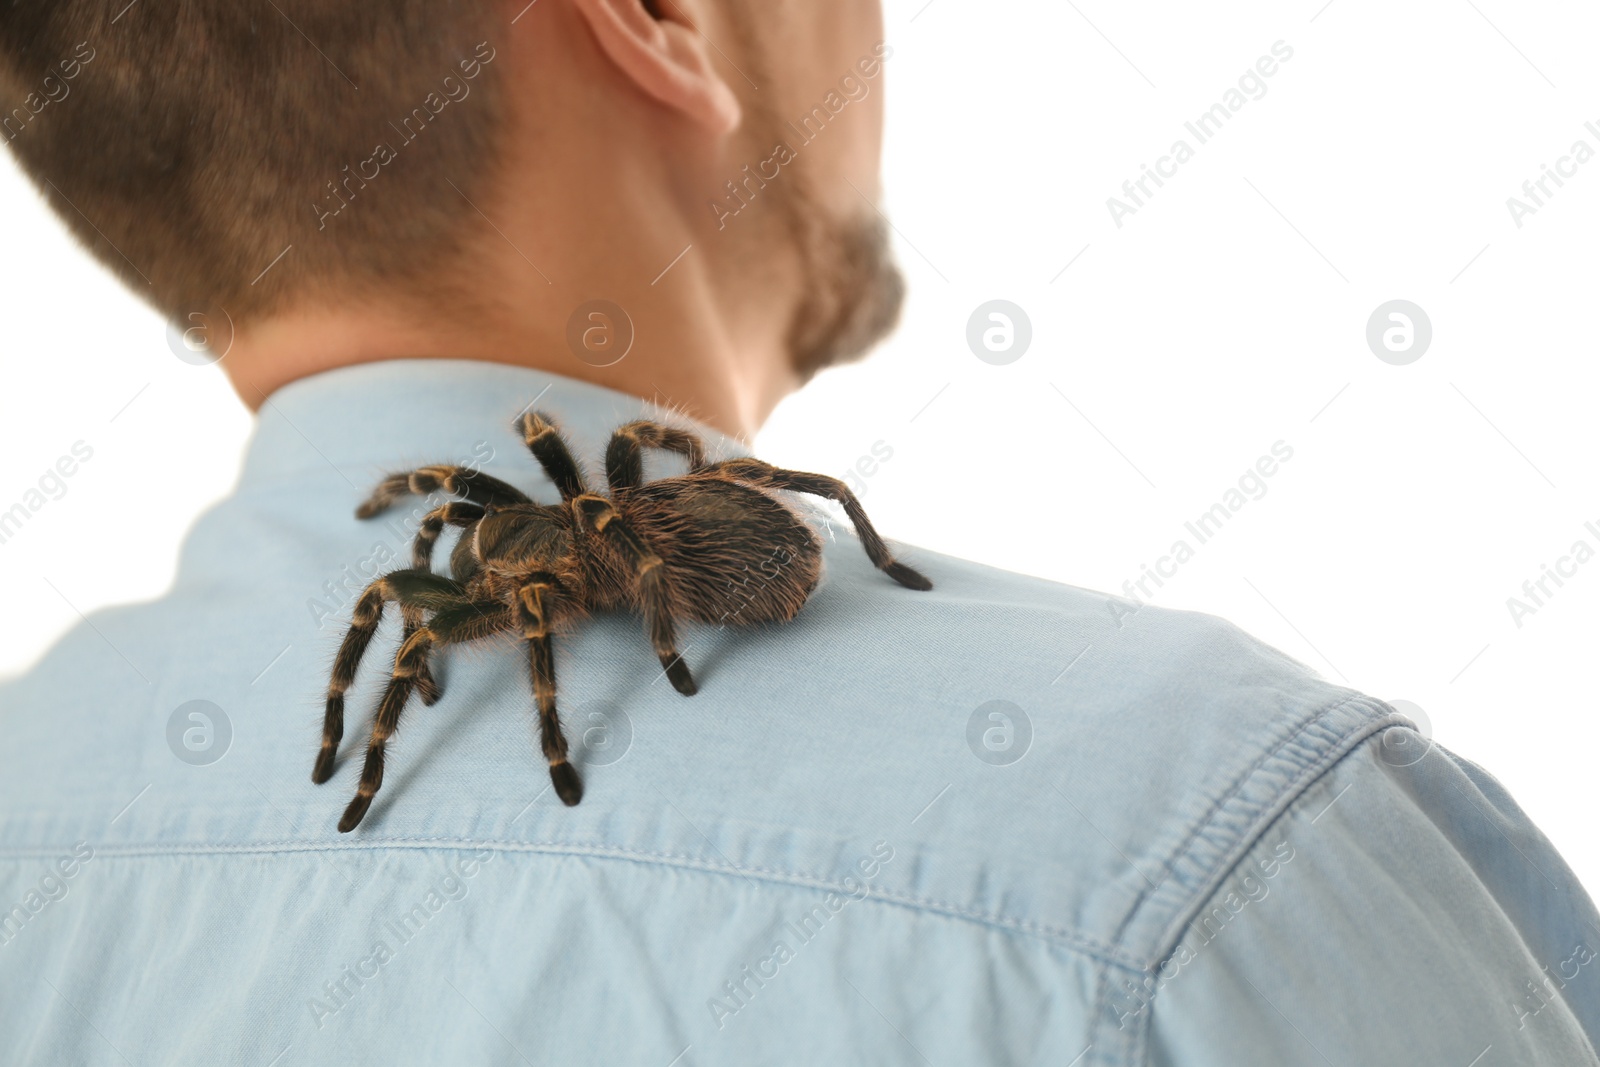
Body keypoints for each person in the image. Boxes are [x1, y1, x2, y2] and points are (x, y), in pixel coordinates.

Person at [1, 1, 1595, 1063]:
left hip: (688, 555)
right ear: (662, 18)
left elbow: (488, 575)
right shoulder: (1218, 838)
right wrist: (564, 729)